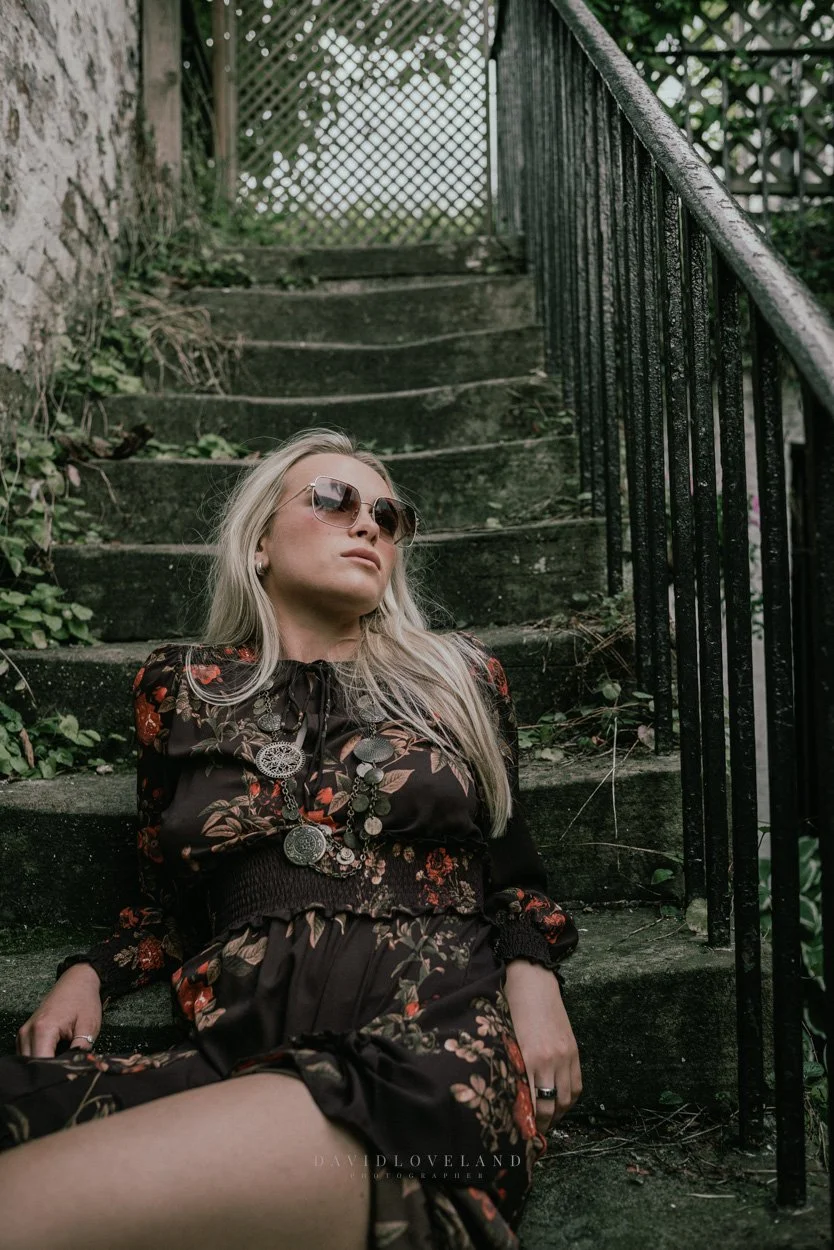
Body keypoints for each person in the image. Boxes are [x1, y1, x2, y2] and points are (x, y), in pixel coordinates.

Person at [0, 427, 581, 1250]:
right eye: (335, 499)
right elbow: (169, 895)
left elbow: (513, 872)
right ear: (261, 540)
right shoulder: (183, 687)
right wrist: (91, 972)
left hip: (423, 1059)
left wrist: (533, 977)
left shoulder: (460, 677)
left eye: (388, 513)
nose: (369, 523)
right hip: (241, 1054)